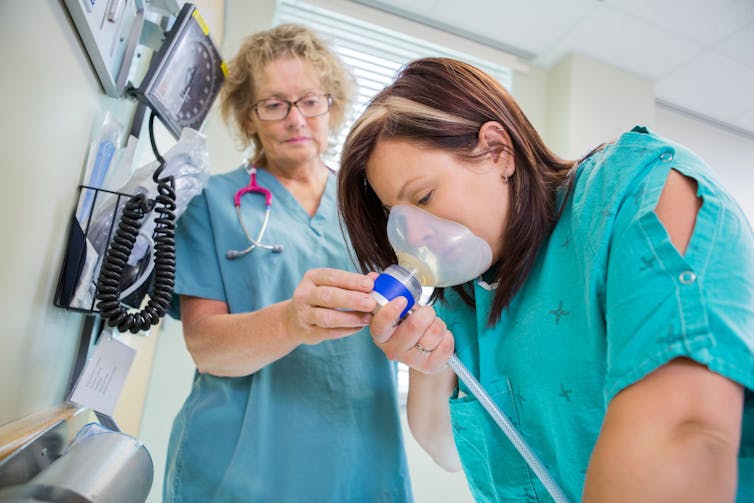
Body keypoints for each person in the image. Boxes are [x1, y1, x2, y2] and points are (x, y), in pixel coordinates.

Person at [337, 57, 754, 502]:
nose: (411, 234)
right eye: (393, 214)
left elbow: (683, 434)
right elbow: (446, 451)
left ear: (498, 151)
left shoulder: (637, 193)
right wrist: (429, 364)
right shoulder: (464, 298)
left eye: (424, 196)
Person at [163, 24, 413, 502]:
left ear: (332, 105)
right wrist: (291, 322)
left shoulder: (377, 207)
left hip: (358, 460)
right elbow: (205, 347)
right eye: (274, 104)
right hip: (239, 468)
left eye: (310, 101)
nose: (295, 119)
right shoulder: (213, 203)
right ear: (248, 116)